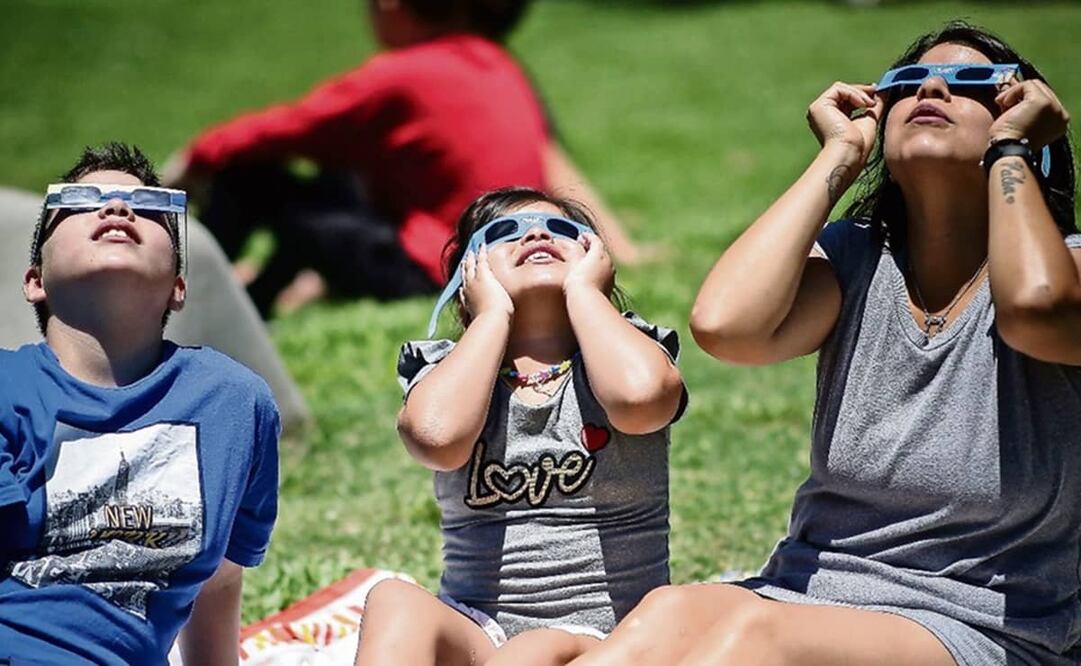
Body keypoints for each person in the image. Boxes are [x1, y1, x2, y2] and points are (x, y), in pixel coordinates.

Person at [568, 20, 1081, 666]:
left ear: (1023, 115)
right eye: (907, 83)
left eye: (970, 82)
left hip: (980, 621)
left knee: (752, 640)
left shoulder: (1063, 272)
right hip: (810, 589)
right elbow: (727, 327)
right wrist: (837, 158)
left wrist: (1009, 150)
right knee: (670, 612)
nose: (931, 89)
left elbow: (1035, 308)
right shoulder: (855, 263)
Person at [354, 187, 686, 666]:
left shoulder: (624, 351)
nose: (536, 233)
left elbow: (641, 401)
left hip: (611, 634)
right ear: (468, 275)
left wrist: (585, 294)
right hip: (479, 629)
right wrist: (491, 316)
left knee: (534, 649)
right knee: (392, 598)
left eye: (564, 231)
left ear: (597, 258)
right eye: (504, 232)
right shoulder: (448, 370)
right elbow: (437, 438)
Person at [167, 0, 643, 317]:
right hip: (478, 249)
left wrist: (195, 158)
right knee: (335, 184)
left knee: (255, 182)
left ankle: (206, 297)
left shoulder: (400, 76)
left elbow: (286, 129)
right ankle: (249, 292)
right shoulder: (494, 61)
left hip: (436, 266)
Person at [0, 143, 280, 665]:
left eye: (150, 209)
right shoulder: (6, 388)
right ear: (34, 280)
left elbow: (218, 578)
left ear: (178, 286)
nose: (117, 209)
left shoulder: (234, 403)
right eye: (81, 202)